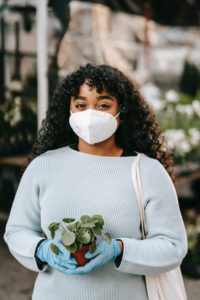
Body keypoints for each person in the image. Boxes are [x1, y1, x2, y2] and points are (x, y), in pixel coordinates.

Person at [4, 63, 188, 300]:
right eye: (80, 105)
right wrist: (41, 250)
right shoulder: (43, 167)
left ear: (122, 114)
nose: (90, 114)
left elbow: (173, 246)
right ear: (68, 112)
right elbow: (17, 231)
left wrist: (118, 249)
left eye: (103, 105)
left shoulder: (148, 172)